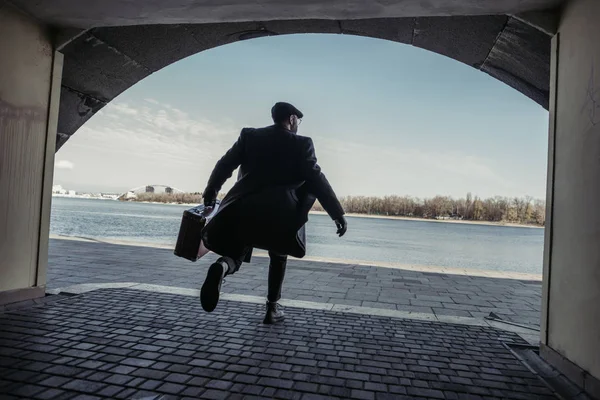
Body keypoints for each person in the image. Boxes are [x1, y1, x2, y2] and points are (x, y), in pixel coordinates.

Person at [199, 102, 347, 324]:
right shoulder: (303, 144)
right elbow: (317, 180)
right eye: (298, 120)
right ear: (291, 119)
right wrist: (337, 214)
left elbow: (224, 165)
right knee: (278, 256)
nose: (298, 124)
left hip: (242, 209)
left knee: (235, 253)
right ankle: (272, 308)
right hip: (280, 216)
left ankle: (221, 267)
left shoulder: (249, 136)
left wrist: (211, 193)